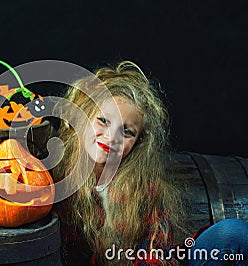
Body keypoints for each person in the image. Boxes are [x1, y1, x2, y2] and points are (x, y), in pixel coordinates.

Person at [52, 60, 248, 265]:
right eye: (103, 120)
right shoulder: (60, 181)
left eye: (127, 132)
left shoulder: (143, 186)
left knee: (232, 233)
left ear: (138, 143)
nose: (112, 137)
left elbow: (158, 251)